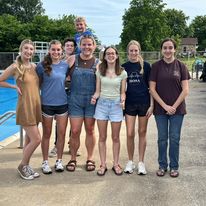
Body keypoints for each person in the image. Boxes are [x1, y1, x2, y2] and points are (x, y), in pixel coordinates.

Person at [0, 39, 42, 180]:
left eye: (31, 49)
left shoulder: (34, 66)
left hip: (35, 105)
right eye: (26, 48)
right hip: (25, 107)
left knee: (29, 139)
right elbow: (0, 80)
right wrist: (13, 87)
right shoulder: (15, 67)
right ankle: (22, 165)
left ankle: (26, 166)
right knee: (37, 139)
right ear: (21, 49)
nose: (28, 51)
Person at [149, 38, 190, 178]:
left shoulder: (181, 66)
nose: (167, 50)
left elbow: (185, 90)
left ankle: (174, 167)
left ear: (174, 49)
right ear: (161, 50)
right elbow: (152, 90)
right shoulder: (156, 66)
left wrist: (173, 106)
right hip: (160, 110)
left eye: (170, 48)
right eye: (165, 48)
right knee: (162, 138)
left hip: (177, 110)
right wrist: (165, 105)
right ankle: (162, 165)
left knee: (174, 138)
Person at [91, 46, 127, 176]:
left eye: (113, 53)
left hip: (116, 106)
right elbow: (97, 90)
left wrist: (123, 100)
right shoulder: (100, 71)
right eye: (108, 54)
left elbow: (123, 93)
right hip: (102, 106)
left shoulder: (122, 72)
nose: (111, 55)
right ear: (104, 56)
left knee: (116, 137)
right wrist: (94, 98)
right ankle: (103, 164)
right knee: (102, 137)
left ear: (117, 56)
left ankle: (116, 164)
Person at [66, 35, 98, 172]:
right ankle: (73, 158)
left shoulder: (99, 63)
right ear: (79, 46)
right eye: (84, 44)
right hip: (75, 101)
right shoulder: (72, 59)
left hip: (92, 101)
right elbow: (59, 74)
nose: (86, 47)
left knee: (90, 130)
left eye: (89, 45)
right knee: (75, 131)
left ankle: (90, 158)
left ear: (94, 46)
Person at [36, 40, 69, 174]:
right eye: (53, 49)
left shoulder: (65, 65)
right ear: (49, 51)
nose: (56, 52)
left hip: (62, 104)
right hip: (47, 104)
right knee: (47, 134)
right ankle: (45, 162)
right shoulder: (41, 66)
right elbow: (36, 84)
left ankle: (59, 161)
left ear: (62, 51)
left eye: (58, 50)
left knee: (61, 134)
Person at [122, 40, 153, 175]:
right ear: (128, 51)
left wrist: (152, 105)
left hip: (144, 103)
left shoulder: (146, 66)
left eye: (136, 50)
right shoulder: (123, 67)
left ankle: (141, 162)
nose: (134, 53)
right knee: (129, 133)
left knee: (142, 132)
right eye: (131, 50)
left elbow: (151, 88)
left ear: (139, 51)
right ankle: (130, 161)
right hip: (129, 104)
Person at [49, 38, 77, 158]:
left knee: (74, 119)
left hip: (74, 92)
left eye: (71, 45)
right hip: (61, 92)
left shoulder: (77, 60)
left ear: (74, 48)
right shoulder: (58, 61)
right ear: (64, 48)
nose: (69, 47)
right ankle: (57, 145)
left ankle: (71, 144)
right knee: (59, 121)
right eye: (67, 45)